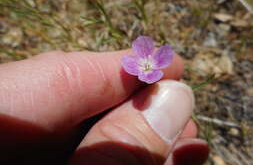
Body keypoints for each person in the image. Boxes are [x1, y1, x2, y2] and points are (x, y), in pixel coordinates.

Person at [0, 50, 209, 165]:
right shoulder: (139, 67)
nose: (147, 66)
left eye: (150, 65)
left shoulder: (154, 68)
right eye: (145, 65)